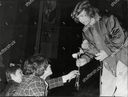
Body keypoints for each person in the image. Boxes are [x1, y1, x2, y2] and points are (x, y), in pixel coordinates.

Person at [71, 0, 128, 96]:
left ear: (90, 11)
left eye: (83, 15)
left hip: (123, 57)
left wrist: (107, 51)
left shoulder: (108, 19)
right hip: (108, 62)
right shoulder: (86, 31)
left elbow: (119, 37)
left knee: (122, 91)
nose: (81, 20)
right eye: (78, 17)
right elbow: (90, 49)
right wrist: (84, 59)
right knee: (105, 91)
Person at [13, 54, 79, 96]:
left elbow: (47, 84)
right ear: (40, 68)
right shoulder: (36, 82)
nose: (49, 65)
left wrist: (68, 76)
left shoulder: (31, 79)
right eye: (46, 64)